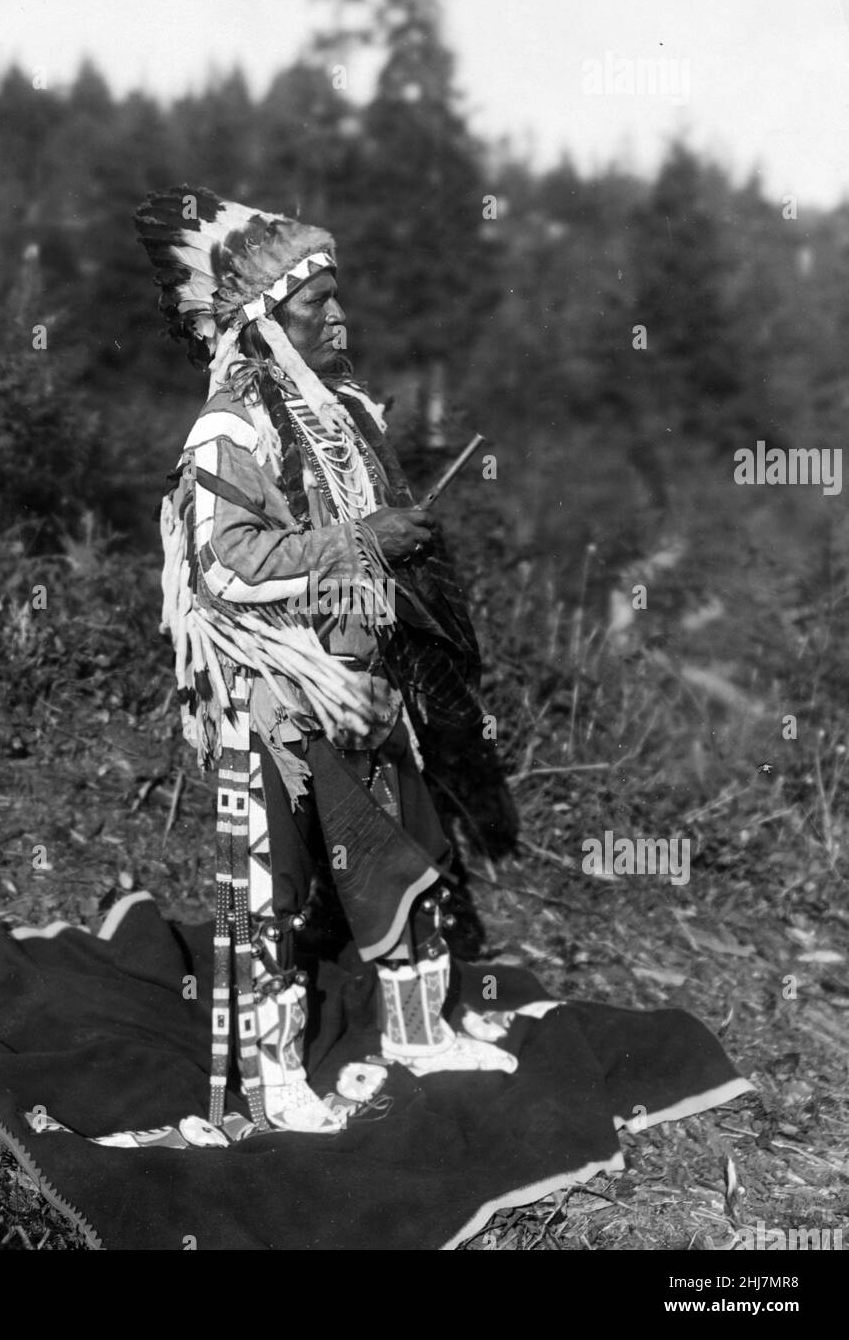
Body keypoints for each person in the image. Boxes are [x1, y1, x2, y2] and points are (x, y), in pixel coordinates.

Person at [135, 185, 518, 1135]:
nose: (340, 315)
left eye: (338, 297)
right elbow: (225, 568)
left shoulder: (339, 412)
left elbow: (363, 534)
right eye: (318, 303)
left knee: (411, 854)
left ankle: (420, 1034)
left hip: (361, 681)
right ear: (267, 320)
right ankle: (272, 1084)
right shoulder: (232, 428)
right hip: (273, 689)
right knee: (276, 889)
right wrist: (363, 544)